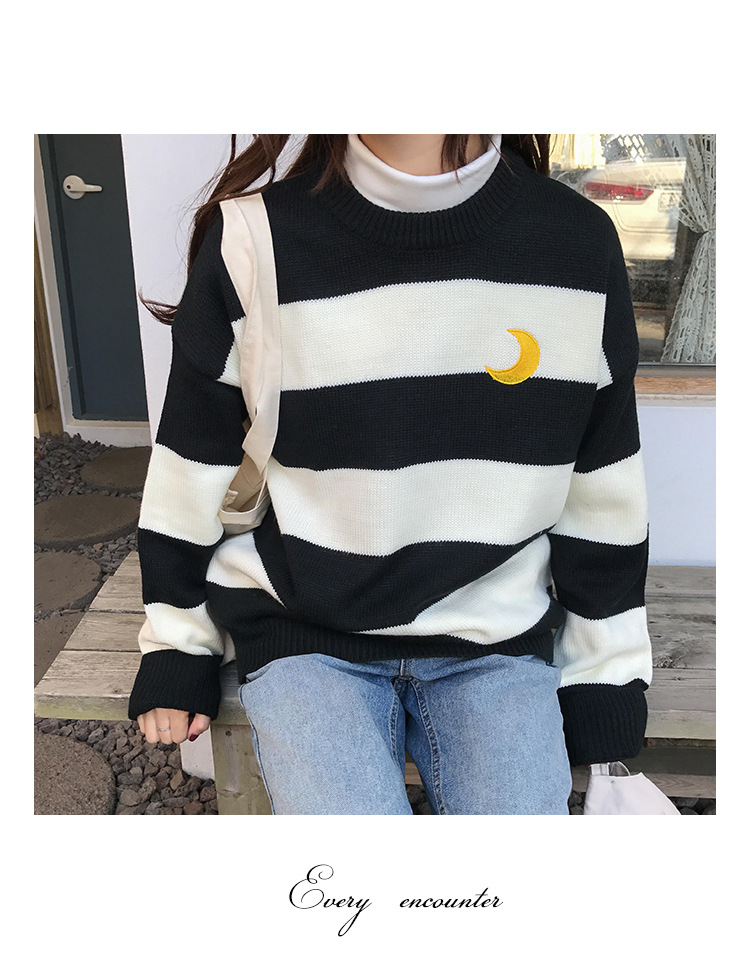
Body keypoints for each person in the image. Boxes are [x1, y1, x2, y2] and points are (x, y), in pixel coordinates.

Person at [128, 134, 653, 815]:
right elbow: (190, 468)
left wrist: (605, 675)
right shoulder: (251, 241)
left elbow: (602, 483)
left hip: (495, 639)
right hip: (304, 640)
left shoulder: (575, 241)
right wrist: (178, 644)